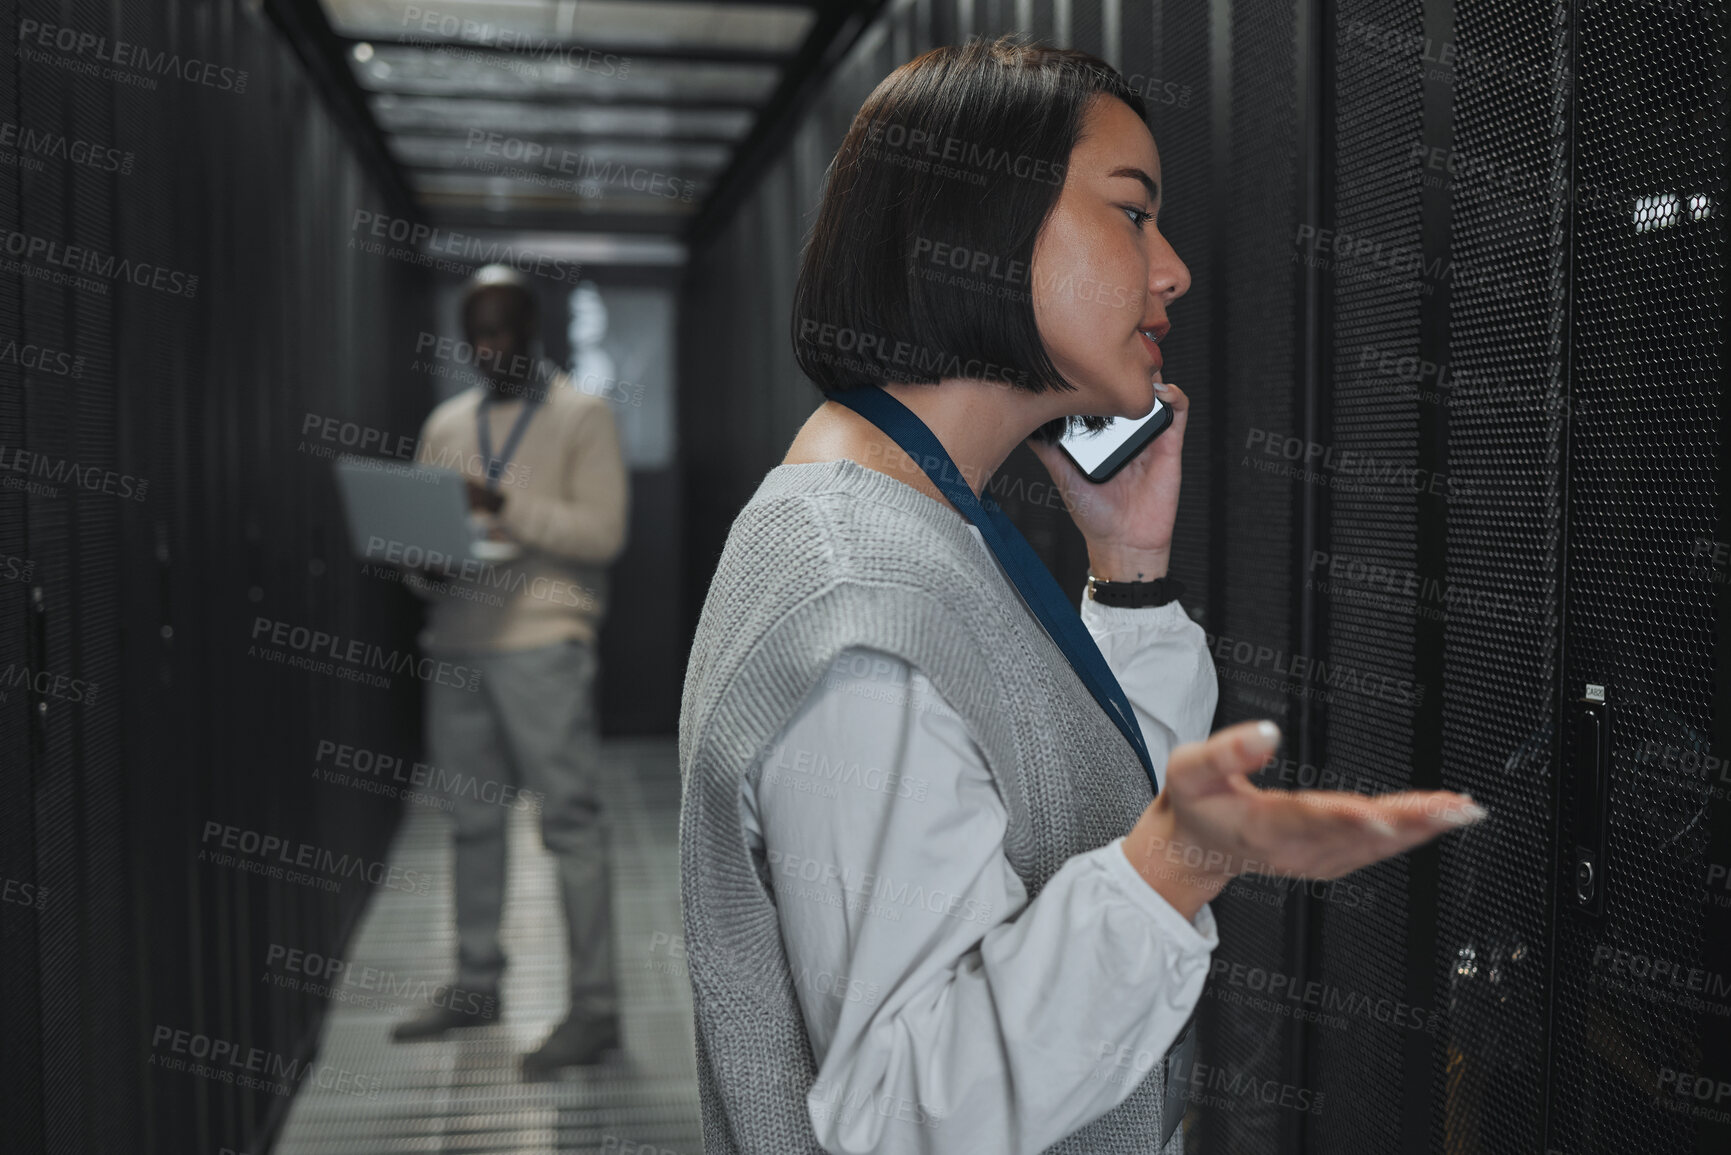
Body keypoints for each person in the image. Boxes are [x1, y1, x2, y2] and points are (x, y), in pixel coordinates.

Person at [677, 37, 1486, 1155]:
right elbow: (907, 1109)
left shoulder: (918, 517)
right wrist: (1178, 866)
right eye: (1132, 212)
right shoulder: (862, 603)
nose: (1174, 270)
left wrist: (1132, 576)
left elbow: (1074, 826)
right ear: (983, 224)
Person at [391, 264, 631, 1078]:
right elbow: (430, 533)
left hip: (541, 641)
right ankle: (474, 982)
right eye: (477, 335)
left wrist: (501, 506)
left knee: (568, 824)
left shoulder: (582, 416)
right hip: (456, 638)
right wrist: (423, 559)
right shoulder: (447, 422)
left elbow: (600, 533)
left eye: (505, 331)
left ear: (535, 334)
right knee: (470, 821)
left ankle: (595, 1007)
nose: (490, 348)